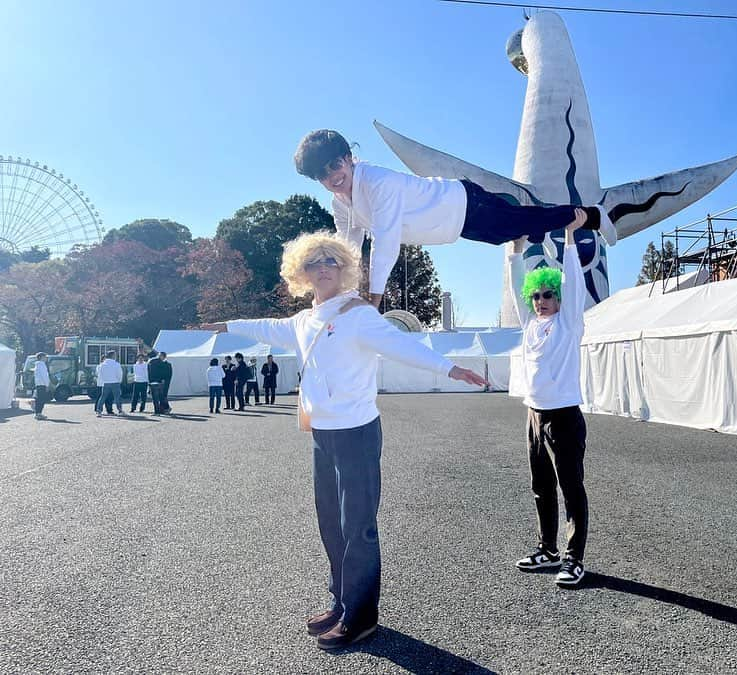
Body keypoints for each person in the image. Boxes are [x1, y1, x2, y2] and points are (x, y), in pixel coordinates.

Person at [200, 231, 487, 650]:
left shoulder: (358, 314)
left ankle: (361, 617)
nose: (322, 268)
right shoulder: (302, 321)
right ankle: (340, 601)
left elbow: (400, 345)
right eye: (313, 262)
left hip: (357, 431)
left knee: (359, 527)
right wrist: (223, 325)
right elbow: (265, 326)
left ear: (344, 268)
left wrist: (449, 369)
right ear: (300, 272)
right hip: (323, 432)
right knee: (331, 523)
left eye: (330, 261)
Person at [293, 129, 617, 308]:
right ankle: (530, 229)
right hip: (455, 224)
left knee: (523, 221)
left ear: (348, 158)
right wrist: (339, 293)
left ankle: (591, 215)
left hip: (463, 203)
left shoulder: (377, 183)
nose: (333, 177)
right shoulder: (341, 204)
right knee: (510, 230)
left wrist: (374, 298)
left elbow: (385, 241)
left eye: (335, 166)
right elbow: (347, 250)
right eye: (322, 175)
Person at [509, 212, 591, 588]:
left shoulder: (569, 322)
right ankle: (548, 548)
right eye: (537, 295)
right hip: (534, 413)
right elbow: (515, 289)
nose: (541, 301)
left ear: (558, 298)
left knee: (570, 485)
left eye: (548, 295)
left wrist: (570, 238)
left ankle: (574, 559)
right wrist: (516, 250)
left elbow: (575, 285)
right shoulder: (530, 325)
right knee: (541, 484)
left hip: (564, 415)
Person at [96, 351, 124, 417]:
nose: (116, 356)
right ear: (113, 356)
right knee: (117, 397)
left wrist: (104, 380)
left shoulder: (102, 365)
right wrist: (119, 381)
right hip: (115, 382)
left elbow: (100, 374)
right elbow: (119, 374)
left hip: (106, 383)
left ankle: (99, 411)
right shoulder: (116, 364)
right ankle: (120, 410)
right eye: (115, 355)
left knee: (103, 397)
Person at [148, 351, 173, 415]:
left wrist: (165, 383)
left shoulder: (167, 364)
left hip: (161, 383)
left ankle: (163, 409)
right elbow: (149, 372)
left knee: (161, 397)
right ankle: (161, 410)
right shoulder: (153, 362)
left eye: (161, 356)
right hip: (155, 382)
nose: (159, 357)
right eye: (159, 355)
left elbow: (168, 376)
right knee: (158, 398)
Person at [33, 352, 50, 421]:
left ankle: (38, 413)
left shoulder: (37, 365)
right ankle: (39, 413)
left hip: (38, 384)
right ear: (42, 357)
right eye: (45, 357)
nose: (46, 358)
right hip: (42, 384)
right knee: (41, 399)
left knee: (39, 399)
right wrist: (47, 384)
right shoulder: (42, 365)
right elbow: (44, 376)